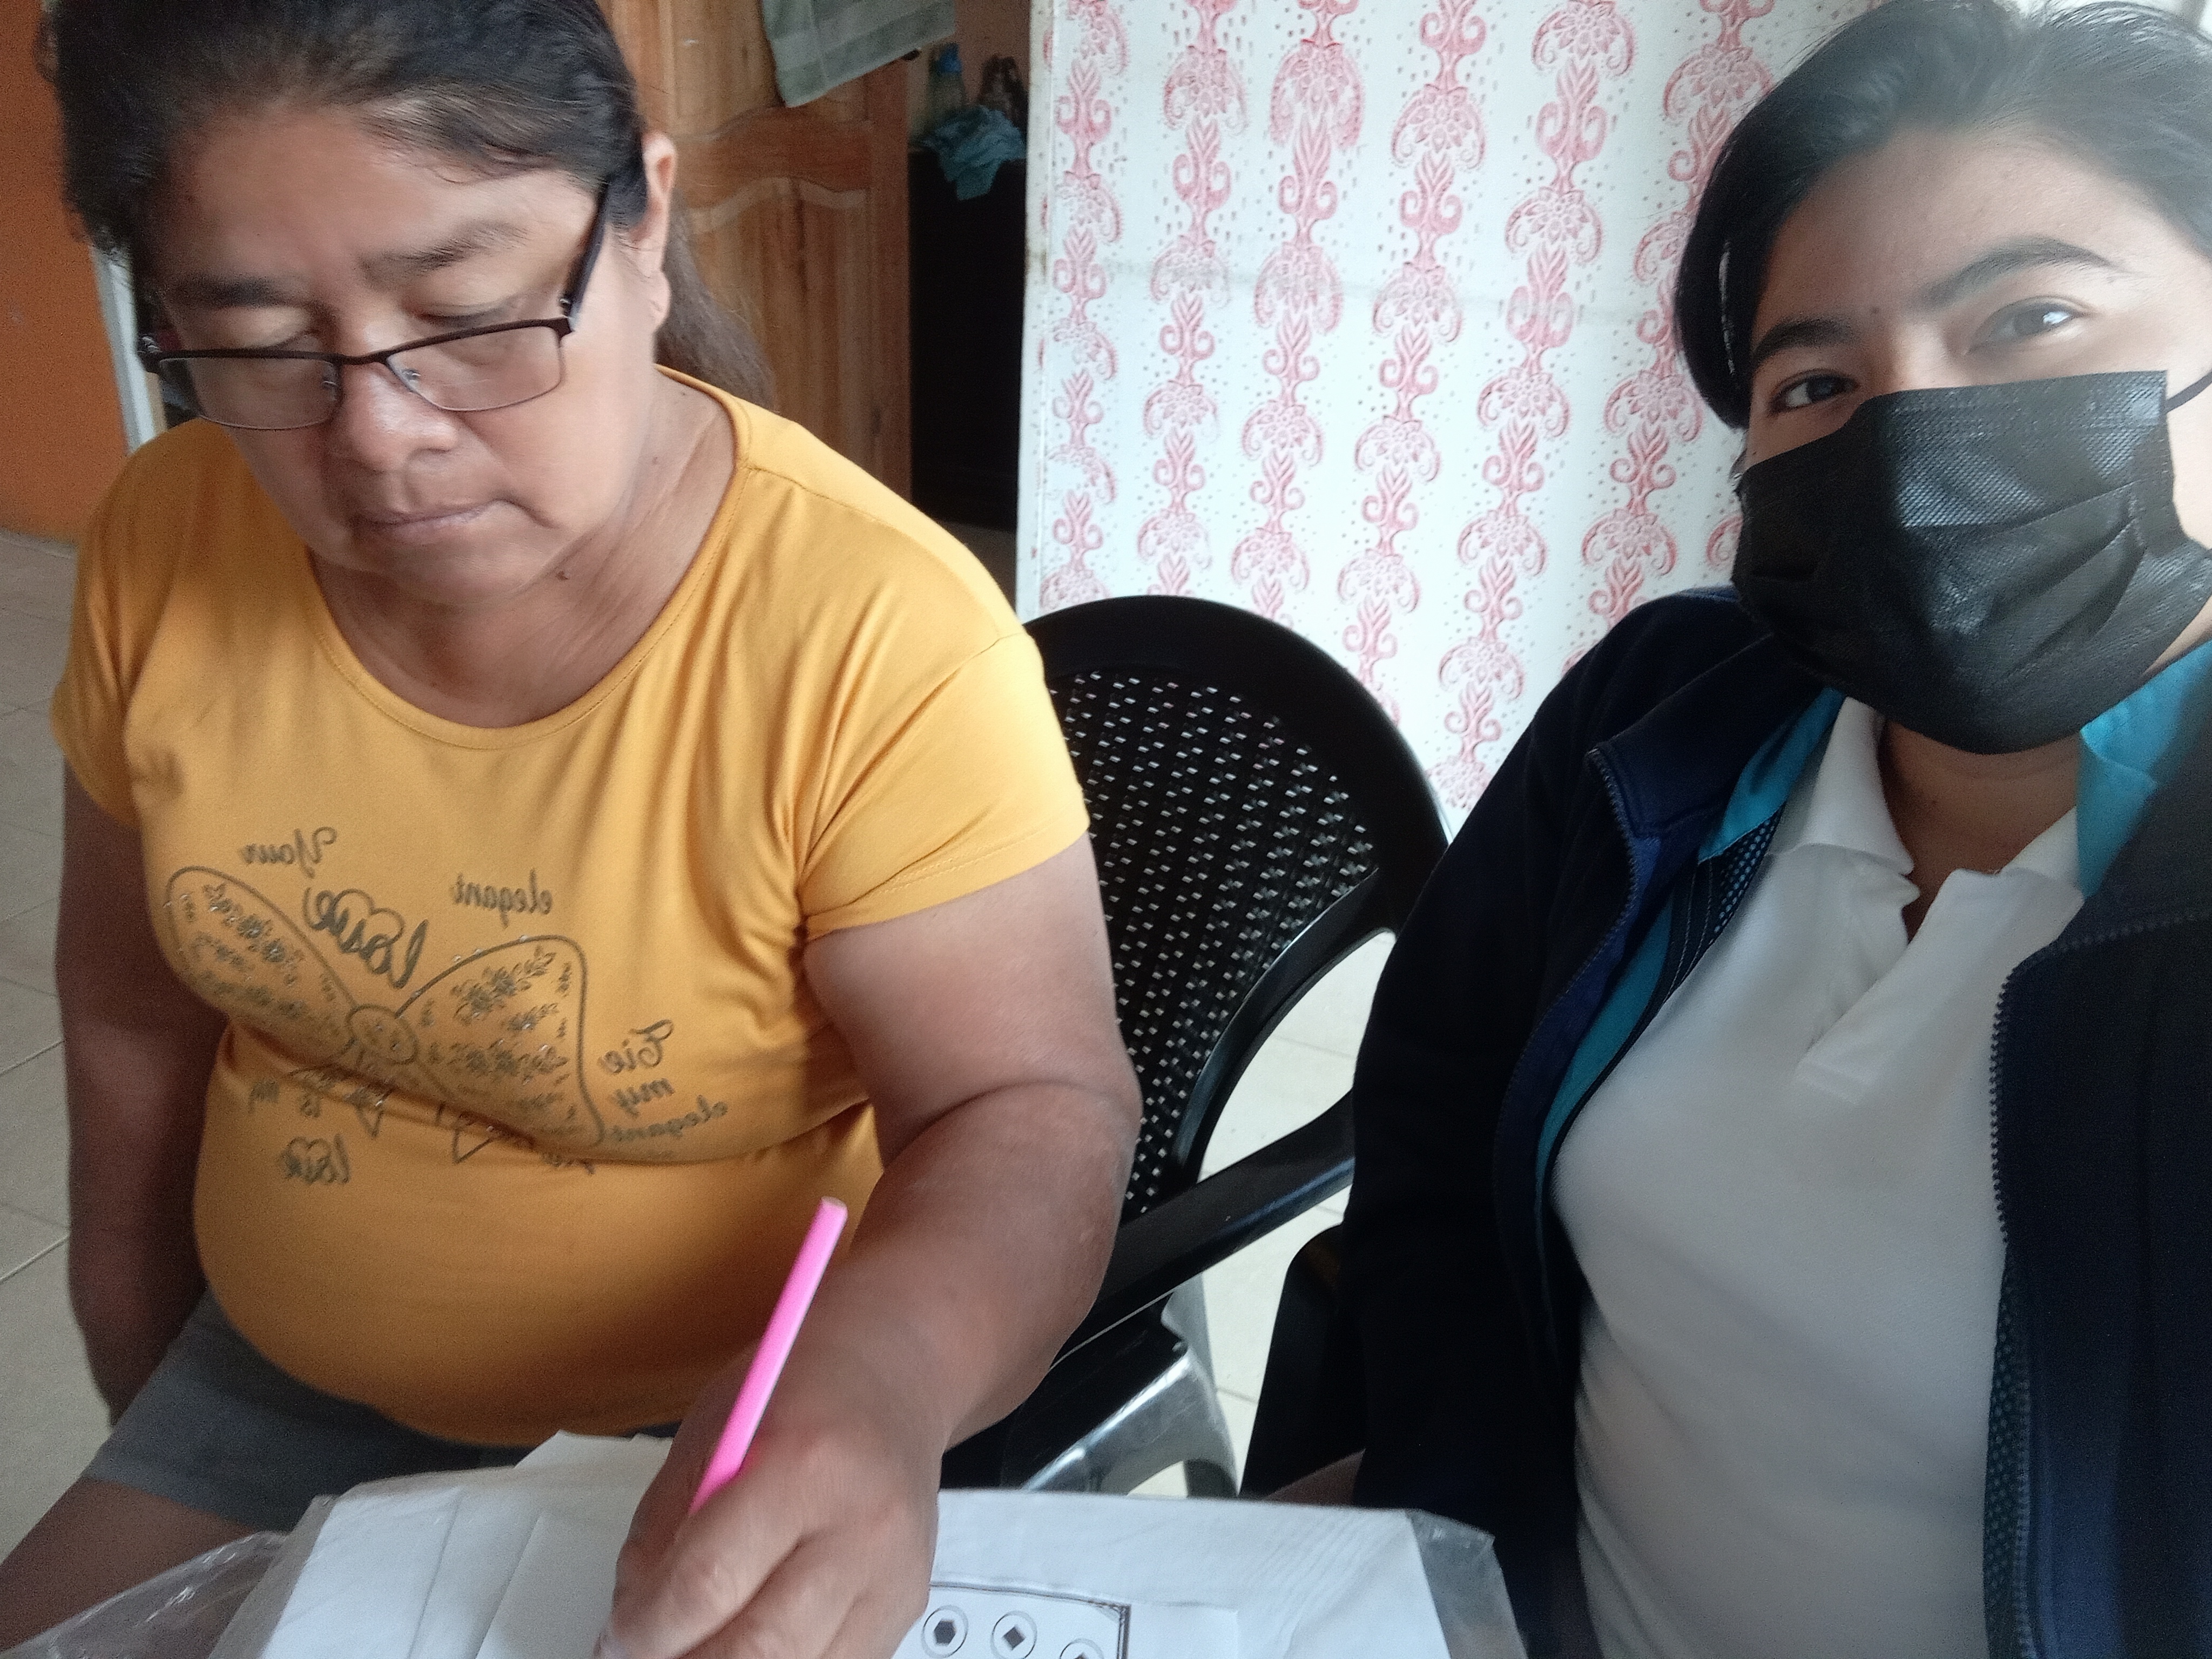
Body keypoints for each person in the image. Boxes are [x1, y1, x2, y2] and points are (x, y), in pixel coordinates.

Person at [0, 3, 1142, 1656]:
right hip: (268, 1392)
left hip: (715, 1443)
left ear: (645, 219)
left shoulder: (873, 643)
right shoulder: (166, 542)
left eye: (469, 316)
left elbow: (1027, 1108)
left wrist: (885, 1379)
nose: (380, 433)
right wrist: (143, 1361)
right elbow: (129, 1012)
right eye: (259, 343)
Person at [1334, 3, 2212, 1656]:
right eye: (1816, 380)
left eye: (2029, 318)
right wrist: (1454, 1580)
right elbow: (1435, 1162)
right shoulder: (1658, 713)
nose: (1912, 435)